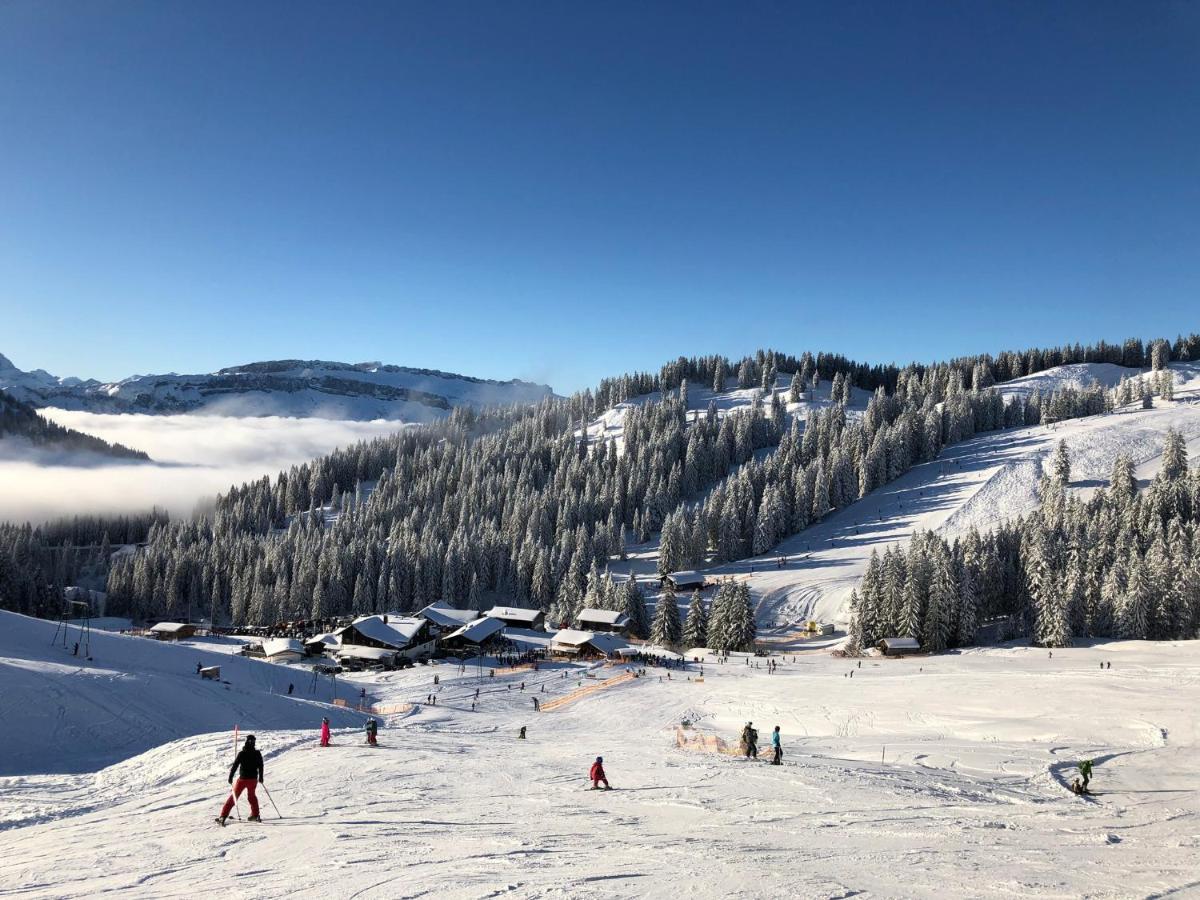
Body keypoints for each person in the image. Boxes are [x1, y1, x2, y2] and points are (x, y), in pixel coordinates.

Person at [217, 735, 264, 825]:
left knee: (234, 797)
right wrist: (261, 777)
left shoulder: (242, 753)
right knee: (252, 796)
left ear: (246, 742)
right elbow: (261, 766)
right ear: (254, 743)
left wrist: (231, 776)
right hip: (253, 780)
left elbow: (235, 766)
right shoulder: (257, 753)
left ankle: (223, 816)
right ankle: (255, 815)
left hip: (243, 779)